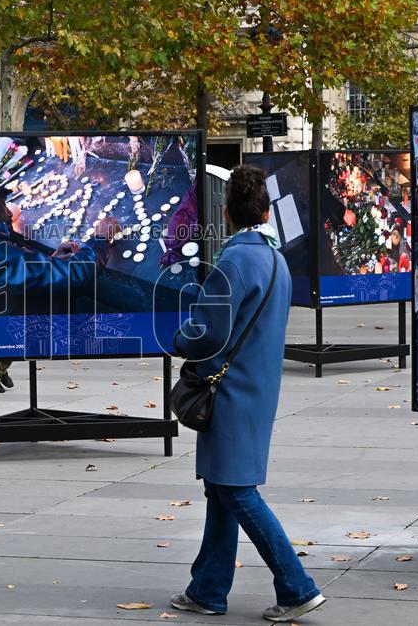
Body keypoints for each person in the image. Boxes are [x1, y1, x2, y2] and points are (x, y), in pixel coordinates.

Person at [170, 165, 326, 622]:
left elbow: (207, 331)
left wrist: (178, 338)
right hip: (256, 387)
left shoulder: (235, 261)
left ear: (228, 212)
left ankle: (297, 587)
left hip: (230, 391)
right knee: (222, 488)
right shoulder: (276, 258)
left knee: (237, 491)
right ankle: (207, 590)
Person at [0, 167, 116, 320]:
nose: (8, 213)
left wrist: (50, 261)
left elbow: (1, 273)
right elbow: (75, 273)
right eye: (2, 204)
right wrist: (100, 237)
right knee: (66, 295)